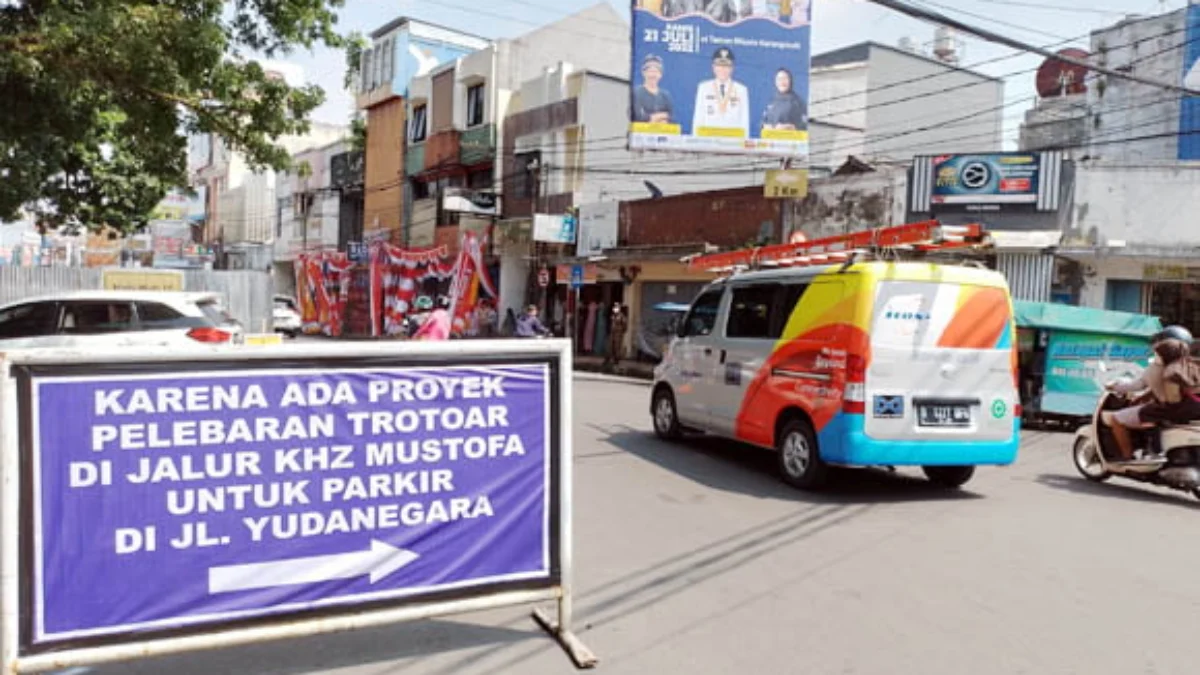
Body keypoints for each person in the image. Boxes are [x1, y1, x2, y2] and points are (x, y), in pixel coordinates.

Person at [1104, 326, 1200, 461]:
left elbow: (1136, 385)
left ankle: (1127, 457)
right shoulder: (1191, 366)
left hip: (1171, 409)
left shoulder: (1157, 369)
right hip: (1192, 408)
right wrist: (1144, 397)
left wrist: (1113, 386)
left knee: (1117, 419)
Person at [692, 48, 750, 137]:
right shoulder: (704, 88)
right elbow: (698, 119)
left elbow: (744, 122)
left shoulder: (741, 90)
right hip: (708, 142)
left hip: (733, 143)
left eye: (726, 66)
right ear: (713, 67)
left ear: (732, 68)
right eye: (719, 65)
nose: (722, 69)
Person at [761, 68, 807, 133]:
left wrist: (790, 127)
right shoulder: (771, 101)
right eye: (779, 79)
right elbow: (763, 122)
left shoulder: (797, 102)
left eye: (785, 78)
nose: (782, 82)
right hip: (771, 140)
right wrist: (765, 126)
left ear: (790, 81)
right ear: (775, 82)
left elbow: (804, 125)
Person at [633, 55, 674, 124]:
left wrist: (656, 118)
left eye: (656, 72)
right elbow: (638, 116)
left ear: (660, 75)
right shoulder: (636, 93)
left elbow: (671, 117)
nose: (653, 75)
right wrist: (657, 117)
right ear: (643, 73)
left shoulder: (666, 95)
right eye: (650, 71)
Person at [603, 304, 629, 369]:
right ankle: (607, 359)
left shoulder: (622, 316)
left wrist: (621, 331)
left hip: (618, 333)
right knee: (609, 346)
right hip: (612, 333)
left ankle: (616, 360)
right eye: (614, 307)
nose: (615, 309)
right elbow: (610, 323)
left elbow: (625, 325)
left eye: (616, 307)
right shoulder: (613, 316)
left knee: (617, 347)